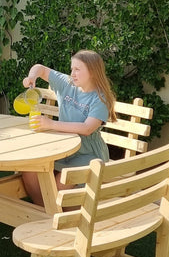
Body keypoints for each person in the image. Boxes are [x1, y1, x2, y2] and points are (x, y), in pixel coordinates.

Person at [21, 50, 117, 206]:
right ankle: (45, 212)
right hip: (62, 148)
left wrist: (51, 124)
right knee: (29, 170)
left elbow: (87, 128)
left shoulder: (100, 99)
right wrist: (32, 77)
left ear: (92, 71)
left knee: (61, 183)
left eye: (78, 69)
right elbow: (41, 68)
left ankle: (54, 213)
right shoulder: (67, 84)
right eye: (72, 69)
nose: (73, 73)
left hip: (87, 153)